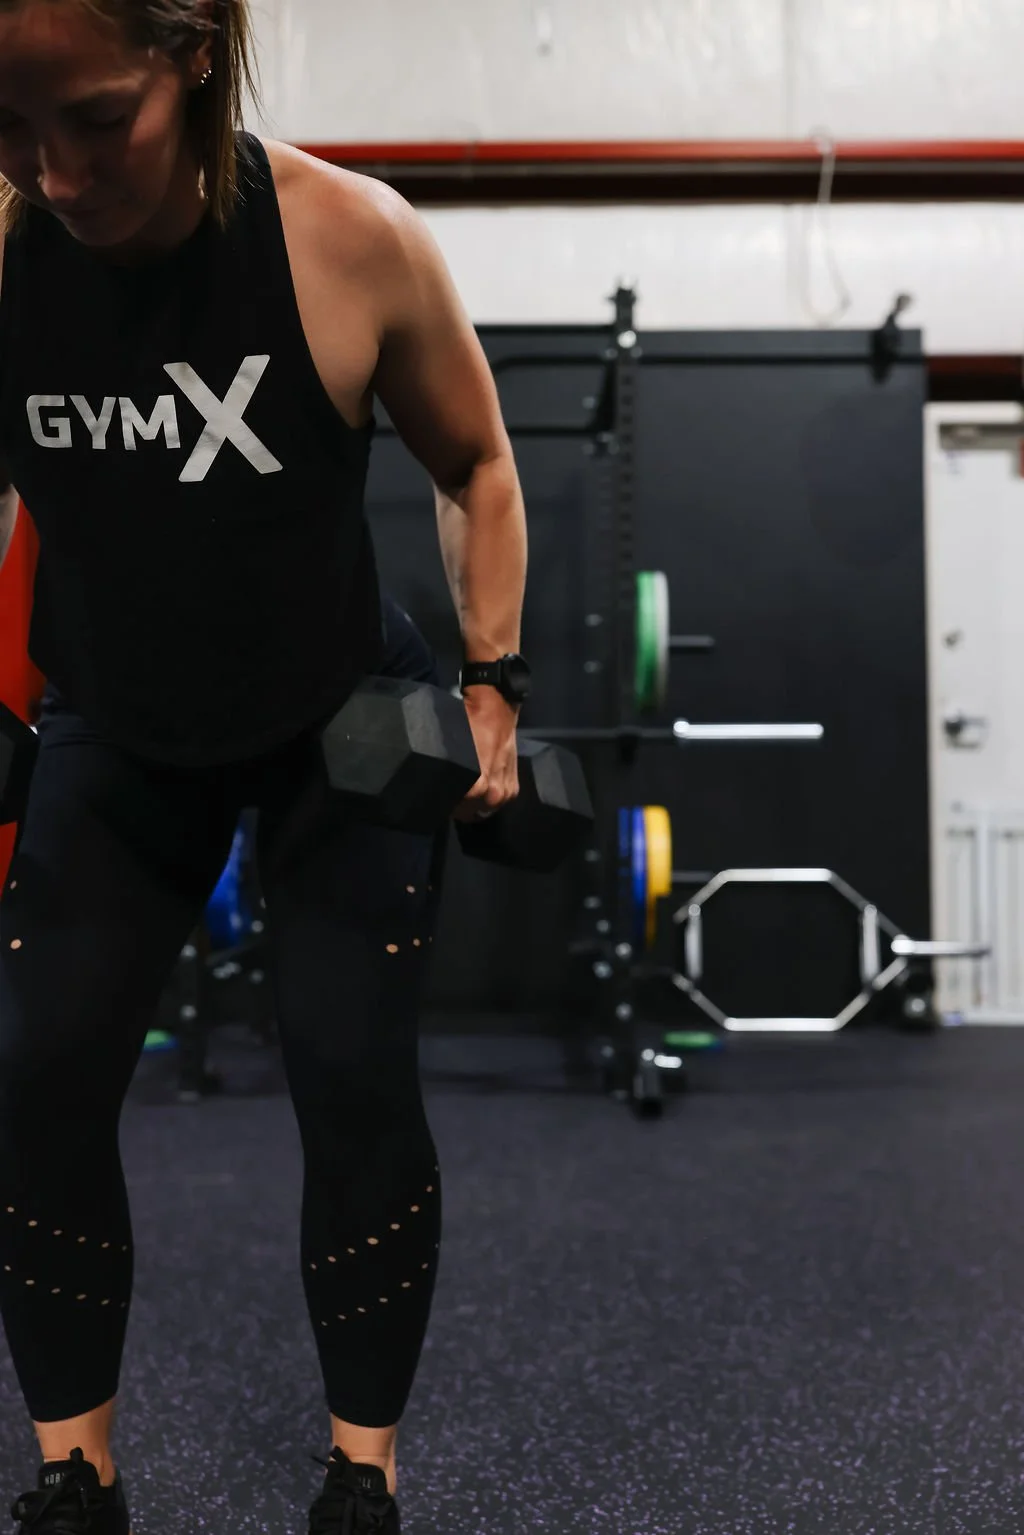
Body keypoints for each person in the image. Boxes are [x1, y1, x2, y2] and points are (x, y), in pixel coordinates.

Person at [0, 1, 531, 1531]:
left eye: (97, 120)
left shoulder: (348, 239)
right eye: (10, 130)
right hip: (117, 719)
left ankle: (362, 1472)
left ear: (194, 53)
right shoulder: (7, 248)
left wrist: (492, 687)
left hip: (336, 721)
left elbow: (476, 462)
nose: (57, 174)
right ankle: (75, 1469)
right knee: (35, 1081)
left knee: (351, 1076)